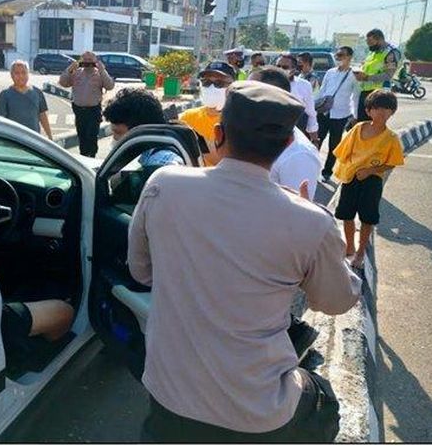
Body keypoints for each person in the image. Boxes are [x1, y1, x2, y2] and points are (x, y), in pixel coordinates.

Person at [128, 80, 361, 442]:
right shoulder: (310, 222)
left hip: (168, 395)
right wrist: (319, 235)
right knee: (325, 401)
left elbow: (141, 271)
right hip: (259, 412)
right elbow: (336, 301)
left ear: (218, 134)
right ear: (286, 145)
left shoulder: (164, 184)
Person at [333, 89, 405, 269]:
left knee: (367, 218)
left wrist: (371, 170)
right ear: (368, 110)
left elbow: (392, 162)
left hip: (372, 182)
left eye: (387, 109)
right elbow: (343, 152)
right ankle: (349, 247)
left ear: (392, 112)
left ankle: (360, 253)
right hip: (351, 178)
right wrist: (347, 170)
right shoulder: (358, 128)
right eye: (377, 108)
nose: (382, 112)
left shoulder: (391, 138)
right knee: (346, 214)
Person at [249, 66, 322, 201]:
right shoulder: (252, 133)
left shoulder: (298, 155)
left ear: (274, 98)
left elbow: (297, 215)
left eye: (249, 92)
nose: (240, 97)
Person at [102, 87, 183, 167]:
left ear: (139, 130)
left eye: (118, 132)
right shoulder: (148, 154)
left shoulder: (160, 162)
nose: (115, 138)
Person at [316, 46, 360, 182]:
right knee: (316, 141)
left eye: (342, 55)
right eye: (337, 55)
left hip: (340, 115)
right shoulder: (330, 72)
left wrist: (354, 116)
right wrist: (314, 106)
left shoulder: (354, 75)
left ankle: (326, 172)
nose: (339, 58)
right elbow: (322, 91)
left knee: (334, 146)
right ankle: (311, 167)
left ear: (350, 57)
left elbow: (355, 97)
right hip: (324, 112)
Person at [58, 51, 115, 157]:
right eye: (85, 60)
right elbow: (63, 83)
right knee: (82, 135)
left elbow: (110, 86)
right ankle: (83, 155)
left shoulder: (99, 74)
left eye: (90, 60)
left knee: (92, 135)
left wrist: (102, 70)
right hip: (79, 110)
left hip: (93, 110)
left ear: (95, 61)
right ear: (81, 61)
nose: (88, 62)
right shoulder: (76, 73)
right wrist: (69, 69)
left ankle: (92, 155)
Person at [179, 61, 235, 166]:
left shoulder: (239, 121)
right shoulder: (187, 117)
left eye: (219, 83)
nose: (211, 88)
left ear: (233, 87)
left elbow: (227, 165)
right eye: (206, 82)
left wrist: (194, 140)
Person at [0, 60, 52, 140]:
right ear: (11, 75)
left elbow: (43, 115)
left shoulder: (37, 92)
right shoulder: (5, 95)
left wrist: (50, 136)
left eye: (23, 72)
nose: (21, 76)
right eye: (17, 73)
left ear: (28, 74)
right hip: (14, 141)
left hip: (34, 140)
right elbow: (1, 121)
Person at [354, 28, 401, 122]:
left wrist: (367, 77)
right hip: (365, 92)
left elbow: (388, 75)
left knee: (373, 125)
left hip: (379, 95)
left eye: (371, 42)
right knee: (361, 124)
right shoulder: (373, 52)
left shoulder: (391, 52)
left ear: (379, 39)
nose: (369, 45)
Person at [276, 54, 319, 144]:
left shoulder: (304, 85)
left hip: (295, 134)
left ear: (294, 69)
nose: (280, 69)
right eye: (278, 66)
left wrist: (314, 140)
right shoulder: (268, 82)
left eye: (285, 67)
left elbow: (310, 113)